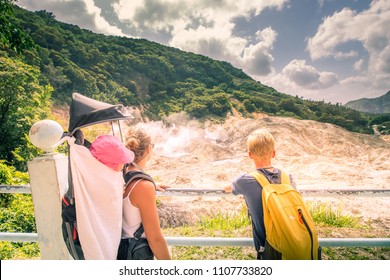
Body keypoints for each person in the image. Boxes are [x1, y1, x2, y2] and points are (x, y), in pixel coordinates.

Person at [224, 129, 295, 260]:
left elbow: (226, 188)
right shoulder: (288, 177)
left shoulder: (245, 181)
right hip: (292, 240)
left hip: (268, 248)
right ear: (273, 153)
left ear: (250, 154)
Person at [118, 126, 171, 260]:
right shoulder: (143, 186)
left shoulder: (120, 174)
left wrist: (151, 183)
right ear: (149, 149)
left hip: (119, 250)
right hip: (135, 254)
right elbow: (155, 239)